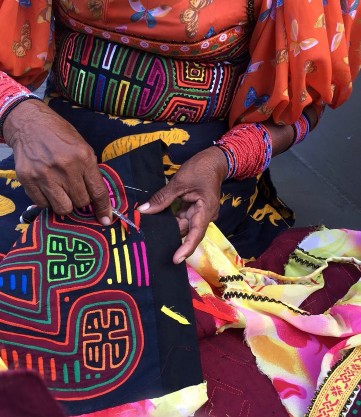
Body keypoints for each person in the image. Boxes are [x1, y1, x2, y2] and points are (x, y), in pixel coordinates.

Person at [0, 1, 360, 416]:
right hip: (54, 173)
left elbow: (307, 102)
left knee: (178, 362)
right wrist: (19, 116)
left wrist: (223, 161)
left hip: (196, 195)